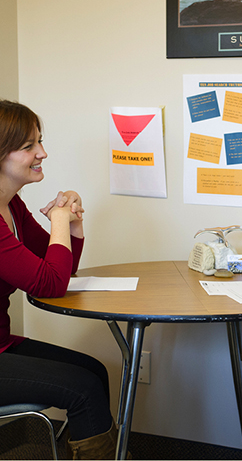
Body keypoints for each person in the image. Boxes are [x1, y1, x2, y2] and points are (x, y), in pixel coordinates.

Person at [0, 100, 117, 460]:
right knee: (82, 388)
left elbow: (59, 271)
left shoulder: (12, 205)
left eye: (40, 141)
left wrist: (72, 225)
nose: (43, 153)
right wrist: (59, 222)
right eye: (29, 146)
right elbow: (50, 283)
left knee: (93, 371)